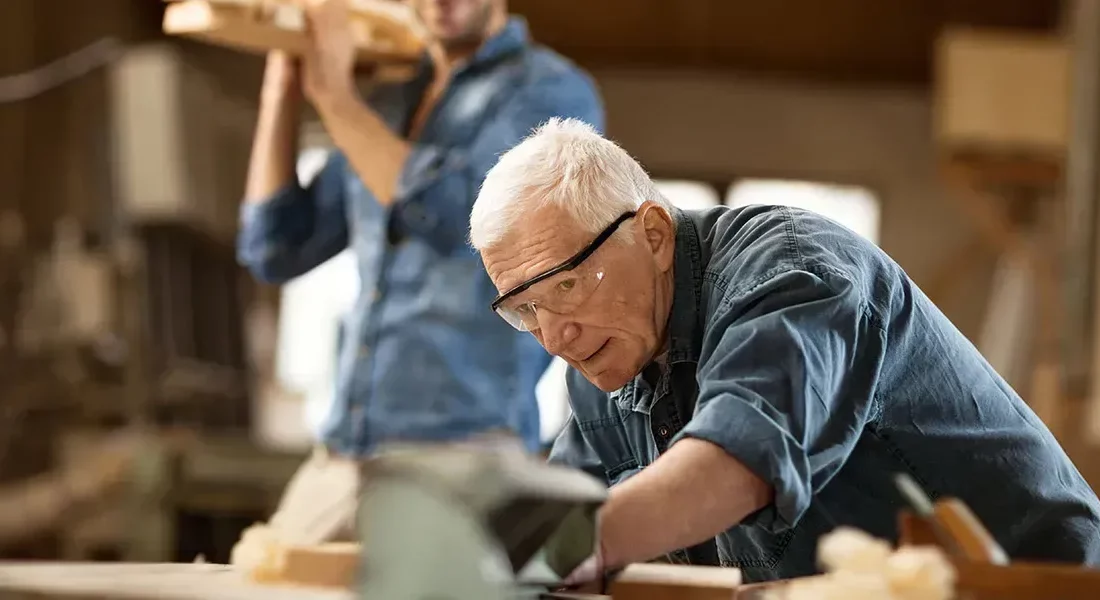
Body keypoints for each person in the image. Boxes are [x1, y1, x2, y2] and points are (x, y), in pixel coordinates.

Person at [468, 118, 1100, 583]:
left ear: (654, 234)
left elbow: (735, 463)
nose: (554, 337)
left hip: (1039, 586)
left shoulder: (791, 271)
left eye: (567, 286)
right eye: (525, 309)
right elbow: (574, 515)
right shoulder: (605, 358)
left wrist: (540, 554)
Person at [236, 0, 604, 544]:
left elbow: (460, 217)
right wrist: (285, 83)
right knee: (263, 576)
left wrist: (335, 97)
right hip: (348, 451)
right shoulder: (389, 100)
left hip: (467, 455)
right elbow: (275, 247)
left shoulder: (552, 94)